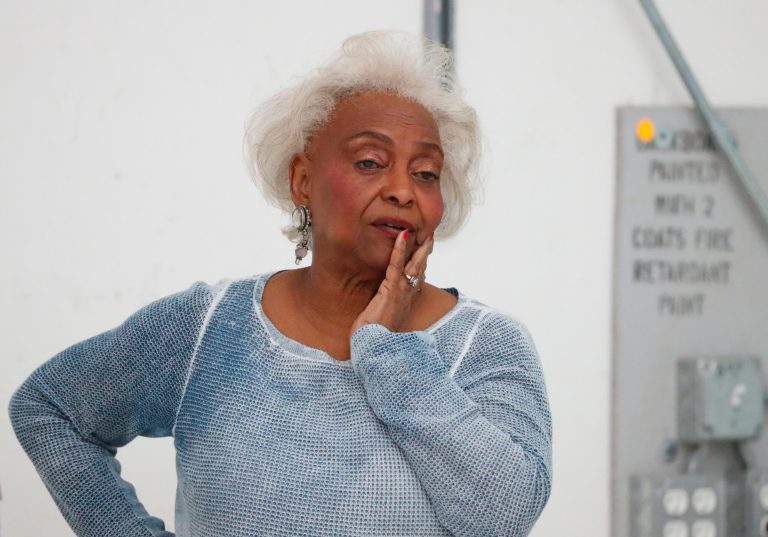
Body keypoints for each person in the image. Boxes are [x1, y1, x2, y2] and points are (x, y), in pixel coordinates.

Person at [9, 30, 552, 537]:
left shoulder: (485, 347)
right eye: (370, 161)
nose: (402, 190)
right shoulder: (210, 328)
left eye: (426, 173)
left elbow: (502, 518)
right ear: (303, 179)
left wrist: (387, 353)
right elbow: (51, 408)